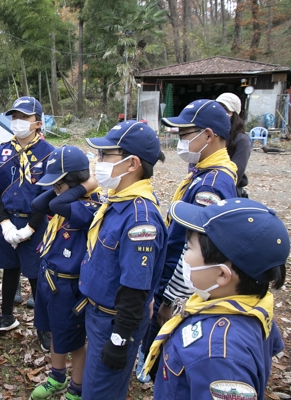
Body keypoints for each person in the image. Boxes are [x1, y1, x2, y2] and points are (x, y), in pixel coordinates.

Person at [143, 198, 288, 400]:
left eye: (190, 248)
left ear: (222, 275)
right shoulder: (251, 306)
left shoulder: (219, 356)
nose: (184, 257)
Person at [143, 99, 238, 380]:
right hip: (172, 269)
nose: (180, 142)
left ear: (208, 135)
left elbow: (199, 246)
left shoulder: (211, 185)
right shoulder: (205, 173)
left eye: (185, 135)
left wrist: (173, 298)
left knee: (165, 334)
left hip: (177, 279)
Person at [78, 120, 168, 399]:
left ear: (132, 164)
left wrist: (119, 339)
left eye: (106, 155)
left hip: (114, 322)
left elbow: (135, 287)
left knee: (99, 392)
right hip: (98, 314)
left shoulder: (140, 219)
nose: (98, 161)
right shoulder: (117, 200)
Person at [29, 145, 100, 400]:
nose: (55, 191)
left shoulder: (89, 206)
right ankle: (57, 377)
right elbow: (38, 203)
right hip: (50, 280)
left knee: (75, 340)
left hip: (69, 288)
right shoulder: (65, 198)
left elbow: (58, 203)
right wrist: (62, 186)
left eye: (58, 184)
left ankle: (76, 388)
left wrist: (85, 187)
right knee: (54, 332)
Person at [0, 96, 54, 350]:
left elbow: (50, 194)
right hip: (7, 221)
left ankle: (43, 326)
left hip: (34, 223)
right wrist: (2, 222)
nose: (18, 122)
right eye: (15, 117)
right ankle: (7, 316)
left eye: (24, 117)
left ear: (37, 122)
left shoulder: (48, 153)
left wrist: (31, 228)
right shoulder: (3, 149)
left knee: (36, 275)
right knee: (9, 268)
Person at [216, 92, 251, 198]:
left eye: (226, 110)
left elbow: (236, 172)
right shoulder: (210, 134)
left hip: (228, 191)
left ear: (234, 114)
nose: (221, 113)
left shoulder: (241, 140)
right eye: (218, 109)